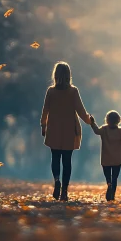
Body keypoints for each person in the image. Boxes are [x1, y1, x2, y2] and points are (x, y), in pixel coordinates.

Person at [40, 62, 92, 201]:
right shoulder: (73, 91)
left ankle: (57, 180)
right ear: (69, 75)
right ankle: (64, 191)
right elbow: (80, 110)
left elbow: (45, 110)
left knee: (55, 157)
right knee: (67, 160)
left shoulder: (51, 91)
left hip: (54, 128)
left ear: (55, 75)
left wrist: (43, 125)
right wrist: (89, 120)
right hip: (69, 129)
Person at [89, 110, 121, 201]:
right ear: (118, 120)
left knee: (107, 175)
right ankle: (112, 194)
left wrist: (92, 123)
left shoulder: (104, 129)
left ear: (107, 120)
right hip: (117, 159)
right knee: (115, 177)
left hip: (106, 158)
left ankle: (108, 184)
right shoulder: (119, 131)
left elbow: (96, 131)